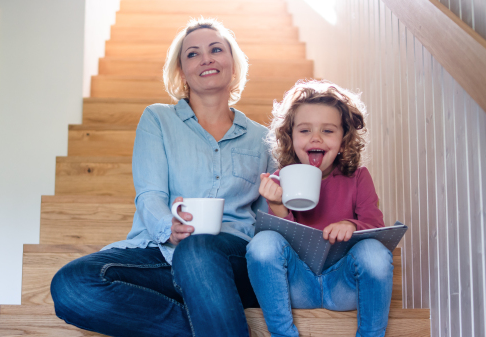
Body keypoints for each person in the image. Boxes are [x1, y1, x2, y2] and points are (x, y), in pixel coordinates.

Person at [50, 18, 275, 337]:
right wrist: (167, 228)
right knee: (73, 284)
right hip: (163, 253)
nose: (206, 58)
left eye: (216, 49)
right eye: (193, 54)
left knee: (199, 250)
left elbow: (269, 219)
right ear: (182, 71)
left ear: (233, 64)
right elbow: (149, 194)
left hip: (232, 261)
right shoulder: (157, 119)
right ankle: (211, 323)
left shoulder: (263, 139)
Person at [246, 80, 392, 337]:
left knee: (373, 250)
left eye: (328, 131)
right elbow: (272, 251)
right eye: (305, 131)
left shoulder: (359, 177)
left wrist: (352, 225)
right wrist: (278, 205)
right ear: (290, 139)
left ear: (343, 141)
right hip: (298, 284)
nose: (316, 137)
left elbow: (376, 227)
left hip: (344, 285)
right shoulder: (280, 179)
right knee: (262, 242)